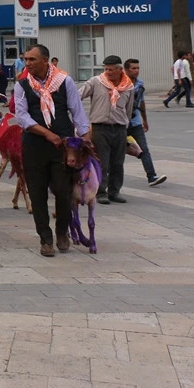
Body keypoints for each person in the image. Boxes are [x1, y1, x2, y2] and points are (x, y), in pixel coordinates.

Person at [13, 44, 91, 257]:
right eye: (26, 59)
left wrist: (85, 138)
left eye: (32, 59)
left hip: (63, 146)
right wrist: (46, 133)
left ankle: (62, 232)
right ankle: (45, 238)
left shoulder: (65, 82)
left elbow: (78, 111)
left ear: (45, 60)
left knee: (63, 190)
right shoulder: (21, 85)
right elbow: (22, 116)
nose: (27, 63)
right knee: (37, 194)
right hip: (34, 145)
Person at [79, 55, 137, 204]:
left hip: (119, 128)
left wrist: (126, 126)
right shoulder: (96, 82)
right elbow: (77, 97)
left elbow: (129, 109)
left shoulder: (128, 86)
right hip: (100, 128)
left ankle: (115, 191)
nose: (108, 72)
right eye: (106, 69)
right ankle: (101, 192)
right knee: (102, 162)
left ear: (119, 70)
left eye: (111, 69)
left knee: (117, 163)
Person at [124, 59, 167, 187]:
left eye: (138, 68)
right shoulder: (120, 84)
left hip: (135, 122)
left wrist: (145, 120)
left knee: (144, 149)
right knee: (115, 152)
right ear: (126, 70)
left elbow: (141, 102)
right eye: (133, 68)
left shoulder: (140, 84)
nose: (136, 71)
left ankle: (152, 176)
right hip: (120, 123)